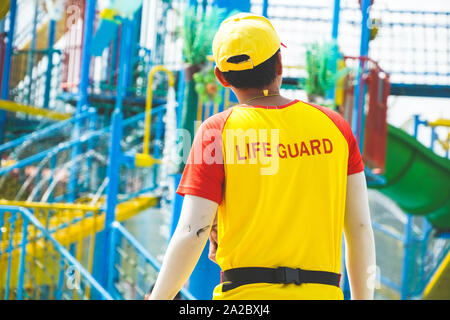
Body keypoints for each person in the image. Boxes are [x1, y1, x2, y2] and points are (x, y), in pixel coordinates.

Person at [147, 12, 376, 300]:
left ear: (221, 77)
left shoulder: (216, 132)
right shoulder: (336, 127)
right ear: (280, 63)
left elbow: (193, 232)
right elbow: (359, 228)